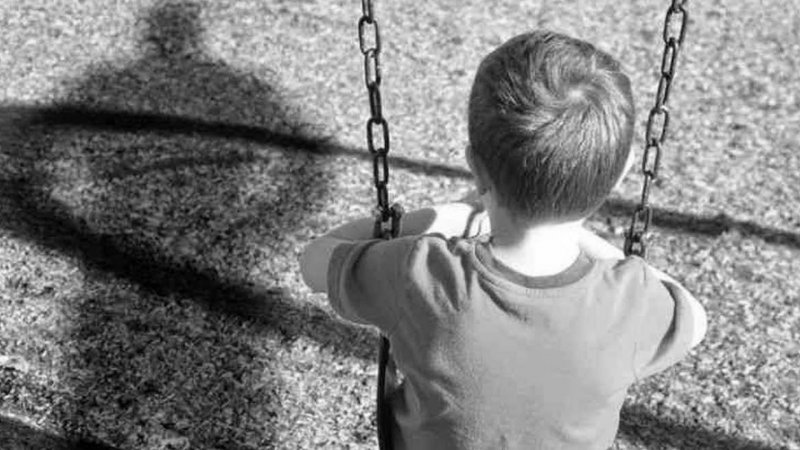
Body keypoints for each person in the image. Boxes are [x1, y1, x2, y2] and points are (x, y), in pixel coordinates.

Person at [299, 30, 707, 450]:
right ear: (621, 173)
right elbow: (695, 319)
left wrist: (445, 216)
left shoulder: (421, 274)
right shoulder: (628, 302)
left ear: (475, 168)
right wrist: (589, 240)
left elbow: (313, 261)